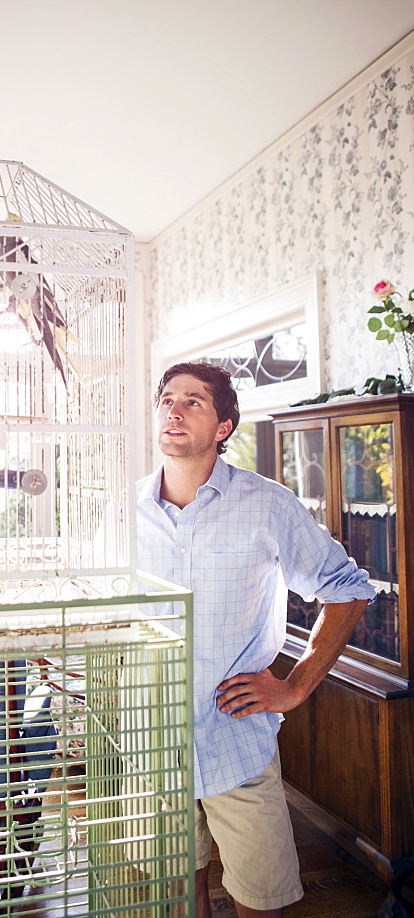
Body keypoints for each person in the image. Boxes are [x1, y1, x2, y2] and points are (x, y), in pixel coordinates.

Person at [136, 361, 375, 918]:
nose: (174, 409)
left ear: (223, 427)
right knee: (174, 895)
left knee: (263, 902)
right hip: (149, 739)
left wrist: (293, 687)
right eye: (168, 398)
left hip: (234, 740)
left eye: (193, 401)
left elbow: (349, 589)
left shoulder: (268, 503)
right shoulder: (124, 512)